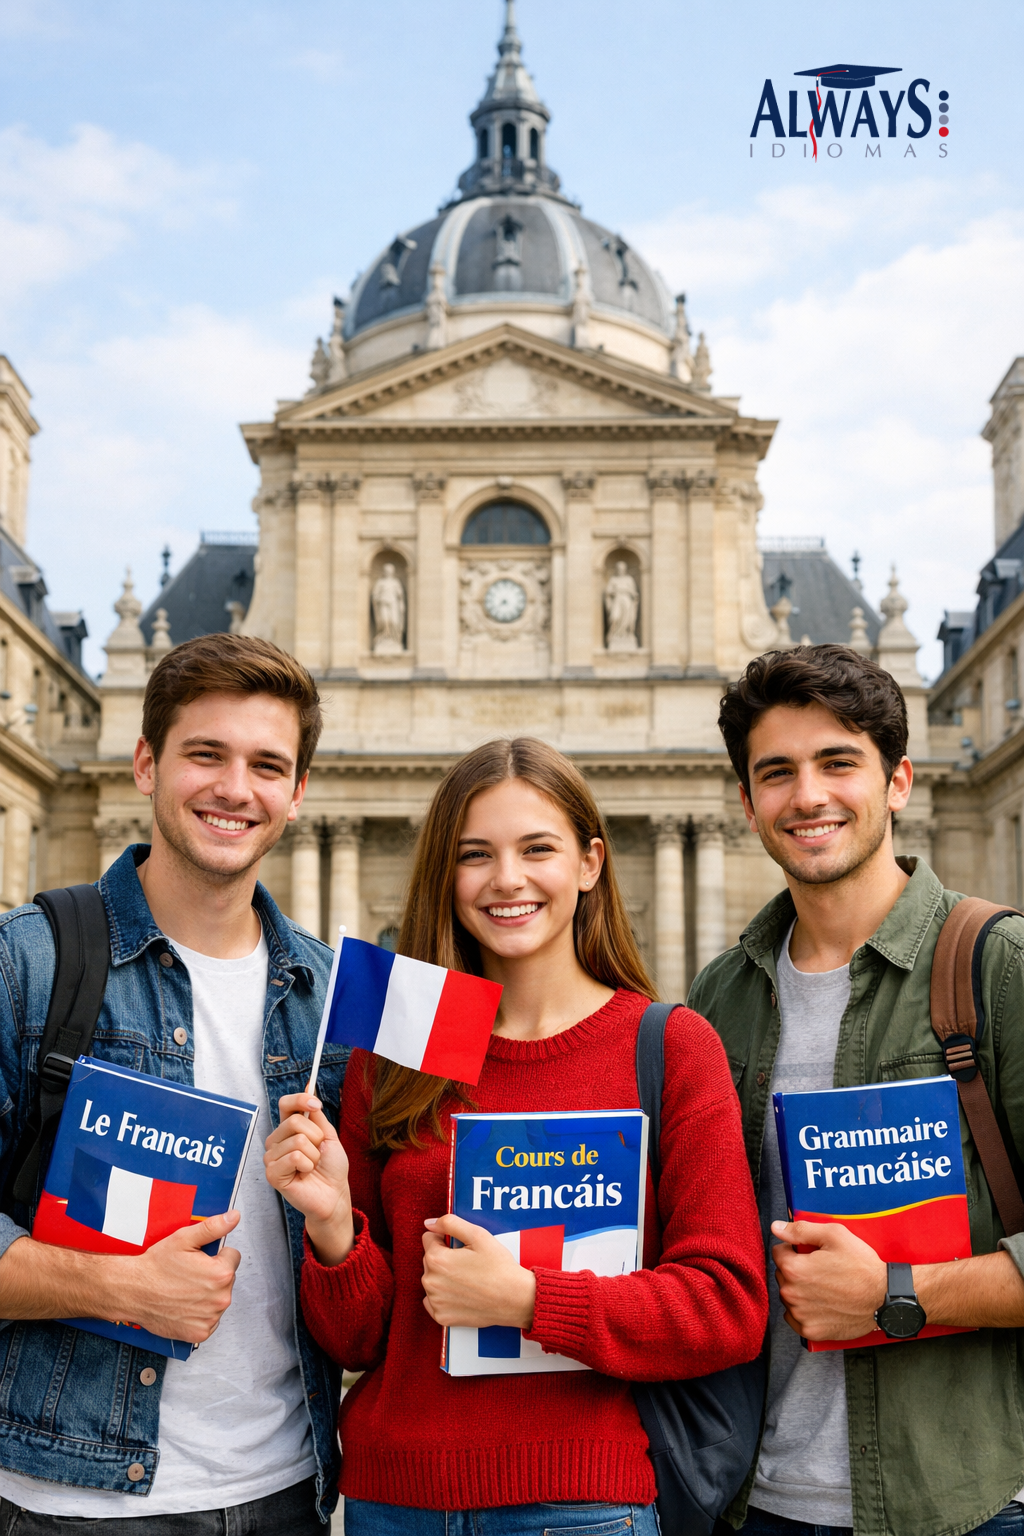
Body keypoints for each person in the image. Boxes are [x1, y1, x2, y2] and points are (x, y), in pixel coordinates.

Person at [264, 735, 768, 1536]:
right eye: (475, 855)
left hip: (583, 1505)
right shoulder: (396, 1054)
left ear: (590, 863)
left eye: (538, 849)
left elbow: (727, 1307)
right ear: (446, 873)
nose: (507, 880)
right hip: (396, 1503)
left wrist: (531, 1300)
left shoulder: (670, 1047)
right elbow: (358, 1339)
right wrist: (331, 1230)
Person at [0, 634, 348, 1534]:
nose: (236, 788)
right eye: (206, 754)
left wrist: (341, 1227)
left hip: (286, 1492)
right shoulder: (28, 965)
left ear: (298, 792)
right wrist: (113, 1287)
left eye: (267, 764)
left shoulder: (325, 1001)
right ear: (145, 762)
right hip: (73, 1504)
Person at [688, 644, 1024, 1536]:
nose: (808, 795)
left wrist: (896, 1293)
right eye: (777, 772)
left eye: (839, 763)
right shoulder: (720, 997)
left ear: (899, 781)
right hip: (759, 1501)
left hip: (962, 1500)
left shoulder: (1000, 969)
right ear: (746, 801)